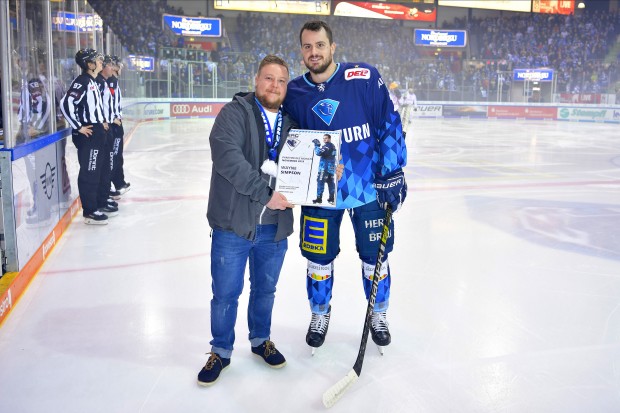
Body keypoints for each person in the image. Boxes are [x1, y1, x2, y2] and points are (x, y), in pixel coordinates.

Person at [283, 20, 408, 352]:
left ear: (332, 47)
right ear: (301, 51)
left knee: (374, 259)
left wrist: (393, 172)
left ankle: (377, 314)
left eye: (320, 45)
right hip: (320, 193)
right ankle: (319, 313)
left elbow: (389, 122)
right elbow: (287, 140)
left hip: (368, 191)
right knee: (318, 260)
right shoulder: (294, 93)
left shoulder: (363, 78)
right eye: (307, 47)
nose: (314, 52)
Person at [197, 54, 296, 386]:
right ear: (256, 80)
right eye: (269, 78)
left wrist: (326, 169)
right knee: (225, 293)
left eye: (281, 81)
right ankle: (221, 350)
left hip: (274, 226)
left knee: (265, 289)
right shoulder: (233, 113)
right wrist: (266, 193)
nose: (275, 86)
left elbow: (306, 163)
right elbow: (228, 159)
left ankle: (260, 340)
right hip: (234, 225)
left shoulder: (292, 123)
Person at [60, 48, 112, 225]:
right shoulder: (82, 81)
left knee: (97, 171)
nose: (100, 62)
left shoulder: (92, 81)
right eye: (97, 60)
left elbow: (95, 108)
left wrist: (101, 122)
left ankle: (97, 204)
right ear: (89, 65)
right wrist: (78, 127)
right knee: (89, 173)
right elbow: (66, 104)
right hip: (88, 134)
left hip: (96, 131)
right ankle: (89, 211)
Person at [102, 55, 130, 201]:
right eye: (118, 65)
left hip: (114, 123)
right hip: (112, 125)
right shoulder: (110, 82)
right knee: (113, 156)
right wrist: (113, 118)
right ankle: (116, 184)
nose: (120, 68)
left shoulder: (113, 81)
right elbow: (107, 104)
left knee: (115, 156)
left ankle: (117, 183)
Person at [311, 133, 336, 205]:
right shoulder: (333, 146)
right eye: (324, 138)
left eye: (326, 138)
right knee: (331, 182)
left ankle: (319, 199)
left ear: (329, 139)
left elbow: (318, 152)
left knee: (320, 182)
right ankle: (331, 199)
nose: (324, 139)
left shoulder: (327, 146)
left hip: (324, 168)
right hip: (331, 167)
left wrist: (317, 145)